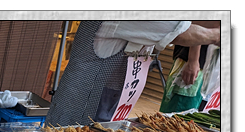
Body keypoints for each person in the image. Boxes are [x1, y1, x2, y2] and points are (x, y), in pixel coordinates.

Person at [45, 21, 221, 126]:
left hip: (112, 99)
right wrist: (218, 35)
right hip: (84, 104)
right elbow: (181, 32)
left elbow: (186, 20)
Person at [159, 44, 209, 113]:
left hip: (204, 65)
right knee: (179, 111)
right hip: (194, 62)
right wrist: (193, 60)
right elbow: (199, 37)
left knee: (191, 111)